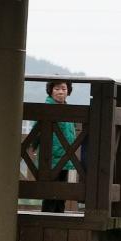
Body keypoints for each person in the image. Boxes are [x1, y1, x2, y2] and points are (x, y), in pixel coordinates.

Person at [31, 79, 77, 213]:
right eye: (56, 89)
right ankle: (47, 218)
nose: (60, 92)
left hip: (65, 158)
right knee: (50, 194)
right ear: (50, 91)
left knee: (62, 194)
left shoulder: (69, 110)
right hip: (50, 158)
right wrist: (33, 145)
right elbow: (36, 130)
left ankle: (59, 216)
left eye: (63, 88)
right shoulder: (45, 108)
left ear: (68, 91)